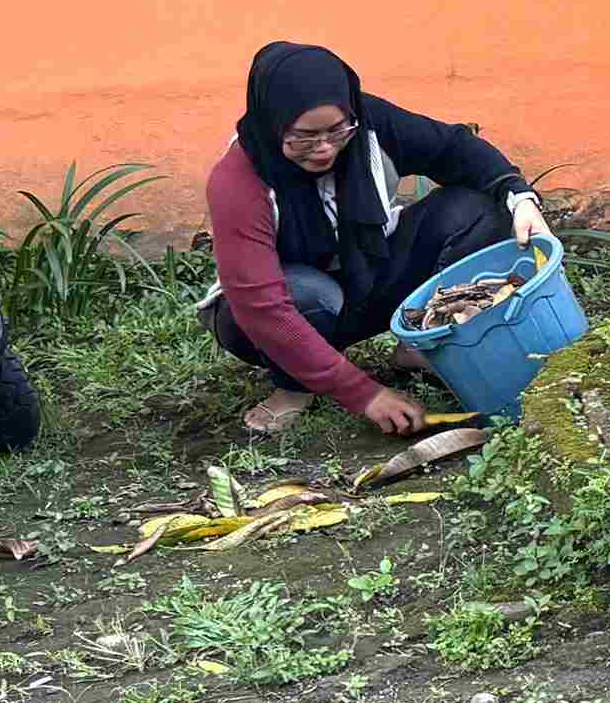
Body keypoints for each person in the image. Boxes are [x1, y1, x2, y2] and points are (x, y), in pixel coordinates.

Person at [206, 43, 550, 436]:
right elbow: (262, 308)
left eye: (337, 130)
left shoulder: (369, 124)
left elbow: (453, 148)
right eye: (304, 137)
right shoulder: (238, 181)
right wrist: (365, 395)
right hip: (269, 315)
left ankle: (417, 346)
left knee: (475, 209)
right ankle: (293, 386)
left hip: (365, 276)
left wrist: (520, 198)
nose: (324, 148)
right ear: (272, 122)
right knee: (309, 295)